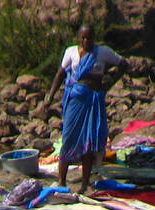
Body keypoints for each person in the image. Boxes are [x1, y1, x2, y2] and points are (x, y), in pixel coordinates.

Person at [43, 24, 125, 193]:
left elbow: (123, 64)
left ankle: (84, 184)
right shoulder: (70, 52)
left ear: (94, 38)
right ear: (79, 38)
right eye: (83, 37)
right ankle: (62, 182)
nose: (86, 40)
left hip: (93, 102)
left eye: (89, 37)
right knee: (69, 138)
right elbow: (60, 75)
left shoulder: (102, 52)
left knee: (88, 143)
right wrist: (49, 97)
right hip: (75, 101)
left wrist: (111, 81)